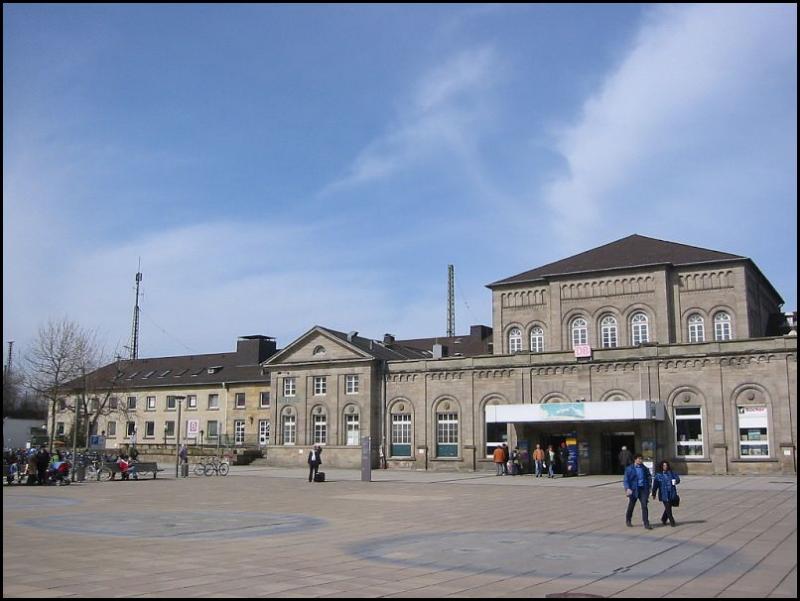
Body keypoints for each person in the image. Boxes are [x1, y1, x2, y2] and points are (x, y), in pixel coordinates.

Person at [623, 453, 653, 529]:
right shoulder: (629, 468)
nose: (640, 460)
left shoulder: (644, 468)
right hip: (633, 490)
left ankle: (646, 523)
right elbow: (626, 480)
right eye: (639, 459)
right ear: (635, 459)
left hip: (643, 489)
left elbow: (649, 477)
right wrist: (627, 488)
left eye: (641, 459)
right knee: (631, 505)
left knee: (644, 505)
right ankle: (628, 520)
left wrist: (649, 487)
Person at [652, 460, 681, 527]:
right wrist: (654, 493)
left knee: (669, 507)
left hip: (671, 492)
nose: (665, 467)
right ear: (661, 466)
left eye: (666, 465)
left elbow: (677, 479)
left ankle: (664, 519)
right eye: (664, 465)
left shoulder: (671, 473)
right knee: (668, 507)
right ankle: (672, 521)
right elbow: (655, 486)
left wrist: (676, 481)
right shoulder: (658, 475)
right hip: (663, 494)